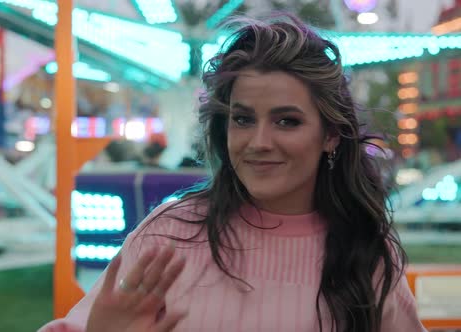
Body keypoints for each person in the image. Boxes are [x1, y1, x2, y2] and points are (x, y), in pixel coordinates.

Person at [40, 15, 426, 332]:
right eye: (242, 119)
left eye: (287, 121)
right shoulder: (170, 235)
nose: (258, 141)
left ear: (329, 135)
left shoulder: (365, 249)